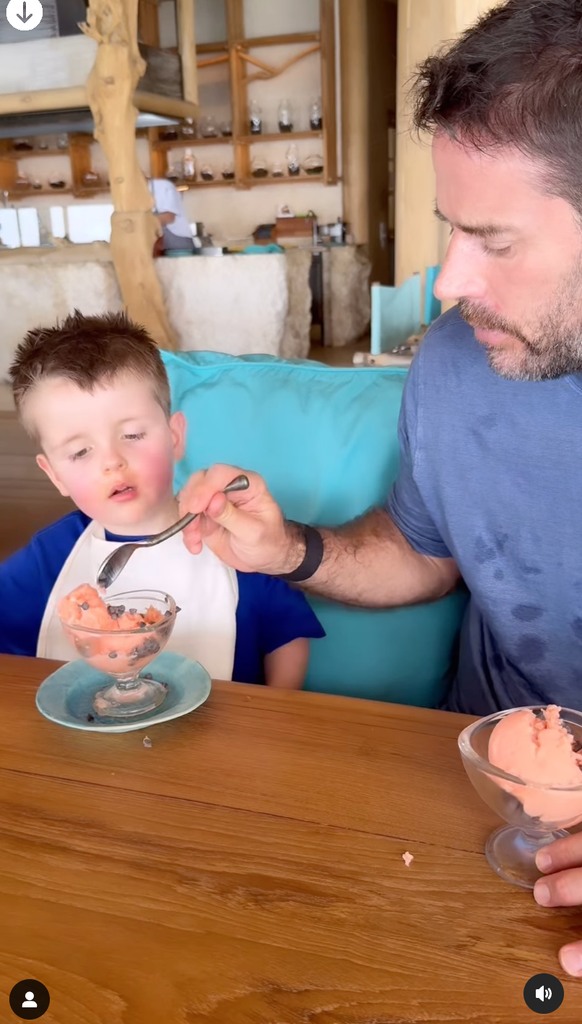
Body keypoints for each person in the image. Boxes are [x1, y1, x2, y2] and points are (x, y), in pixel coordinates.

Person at [174, 0, 582, 974]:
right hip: (464, 797)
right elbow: (426, 552)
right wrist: (291, 551)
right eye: (451, 230)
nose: (446, 282)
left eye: (496, 240)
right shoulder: (457, 363)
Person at [1, 310, 324, 688]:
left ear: (174, 438)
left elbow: (288, 635)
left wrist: (276, 718)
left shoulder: (230, 541)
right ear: (55, 474)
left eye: (133, 435)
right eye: (80, 452)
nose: (112, 462)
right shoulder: (47, 561)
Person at [148, 177, 194, 254]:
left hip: (177, 245)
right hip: (154, 247)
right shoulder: (130, 193)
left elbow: (169, 217)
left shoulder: (164, 186)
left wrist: (142, 222)